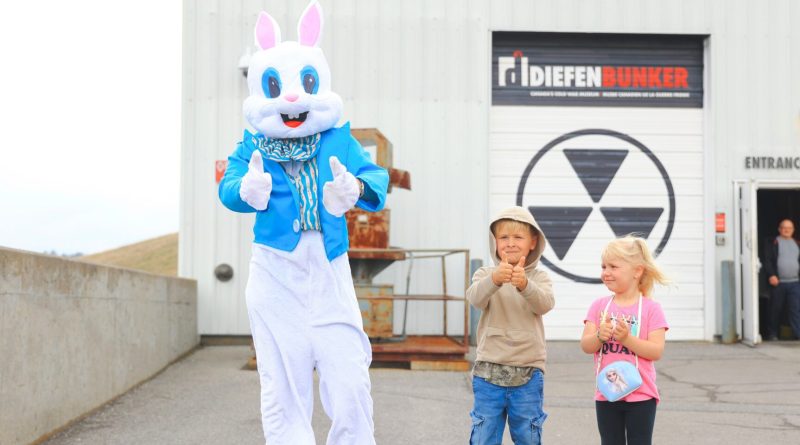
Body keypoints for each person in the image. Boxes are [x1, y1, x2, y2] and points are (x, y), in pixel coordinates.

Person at [218, 3, 388, 444]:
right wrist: (245, 190)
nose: (292, 98)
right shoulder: (253, 144)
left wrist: (357, 189)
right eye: (276, 86)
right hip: (274, 275)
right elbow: (232, 183)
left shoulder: (337, 139)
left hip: (329, 271)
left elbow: (377, 179)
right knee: (283, 389)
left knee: (350, 379)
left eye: (305, 84)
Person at [466, 206, 555, 445]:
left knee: (528, 436)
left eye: (518, 237)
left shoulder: (539, 278)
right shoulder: (485, 273)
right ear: (495, 242)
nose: (510, 243)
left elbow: (545, 304)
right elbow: (475, 299)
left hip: (528, 370)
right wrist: (494, 279)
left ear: (533, 242)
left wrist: (525, 285)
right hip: (488, 371)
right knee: (484, 435)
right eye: (504, 237)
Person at [580, 235, 669, 445]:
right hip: (607, 393)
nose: (606, 272)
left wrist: (627, 339)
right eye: (603, 266)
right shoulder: (598, 306)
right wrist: (599, 337)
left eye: (613, 266)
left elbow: (656, 351)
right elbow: (586, 345)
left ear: (637, 271)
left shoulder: (651, 309)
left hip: (641, 395)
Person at [762, 219, 800, 340]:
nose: (787, 229)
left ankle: (798, 334)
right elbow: (767, 260)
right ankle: (772, 334)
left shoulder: (797, 243)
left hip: (795, 282)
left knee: (796, 309)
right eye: (784, 227)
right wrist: (771, 275)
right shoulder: (773, 242)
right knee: (775, 309)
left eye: (790, 228)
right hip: (778, 283)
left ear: (793, 230)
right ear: (779, 229)